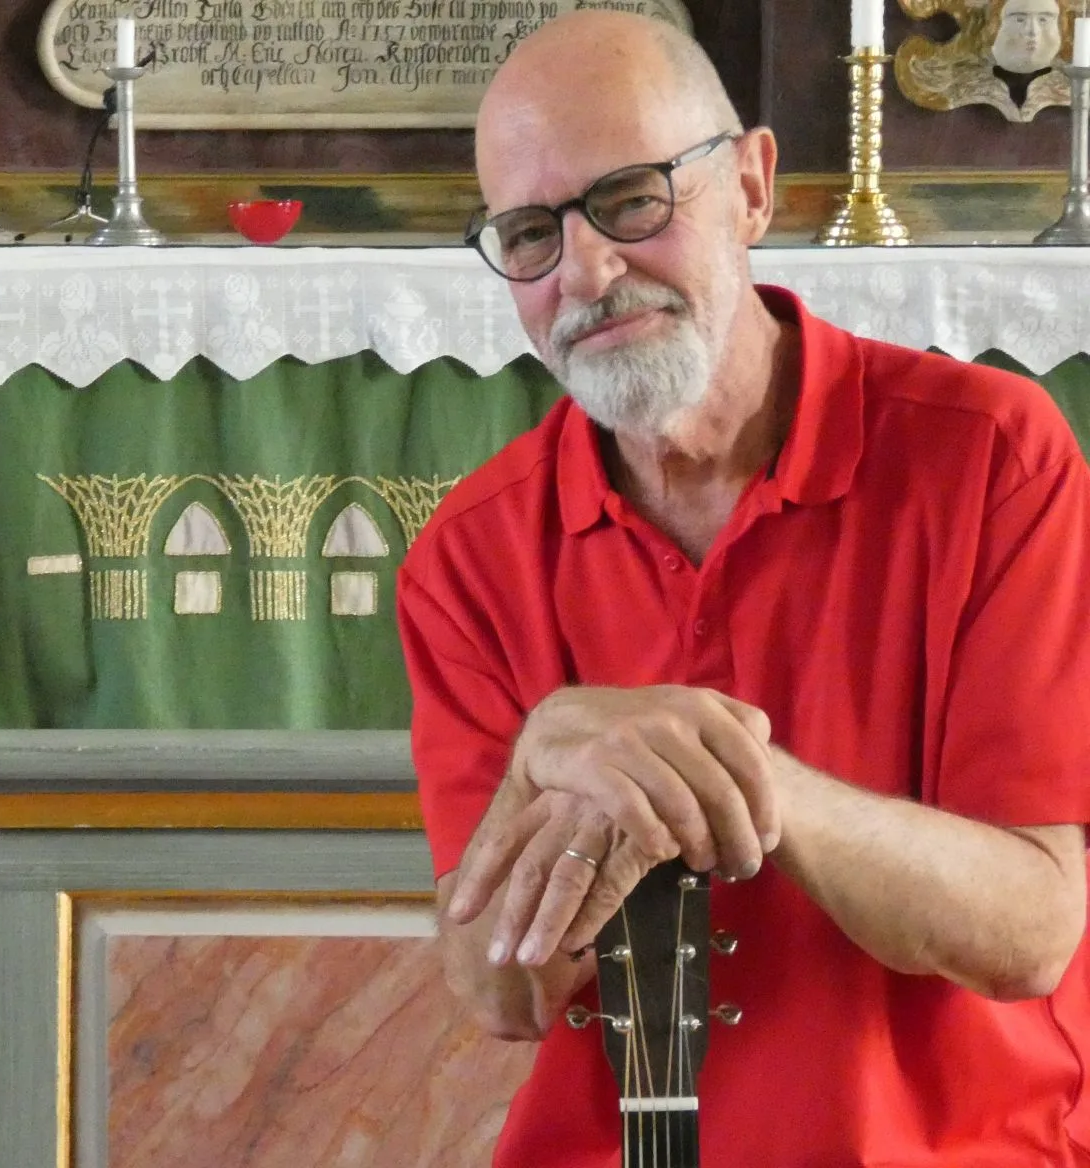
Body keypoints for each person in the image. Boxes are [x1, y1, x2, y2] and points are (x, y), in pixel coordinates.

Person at [399, 11, 1090, 1166]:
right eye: (530, 233)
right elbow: (502, 999)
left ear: (754, 187)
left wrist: (746, 774)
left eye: (629, 201)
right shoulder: (471, 554)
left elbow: (1032, 932)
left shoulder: (989, 460)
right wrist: (543, 758)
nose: (588, 272)